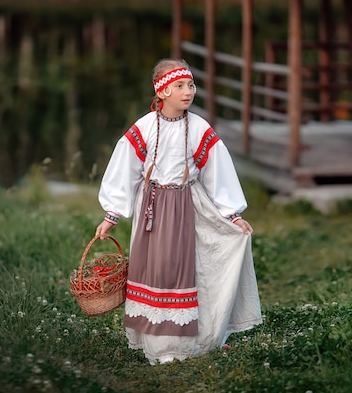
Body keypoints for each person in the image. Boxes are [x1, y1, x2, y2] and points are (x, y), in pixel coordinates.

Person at [95, 58, 262, 364]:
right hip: (153, 211)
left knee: (197, 269)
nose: (189, 92)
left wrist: (233, 213)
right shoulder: (144, 128)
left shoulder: (198, 127)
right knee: (158, 271)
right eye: (180, 86)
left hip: (190, 207)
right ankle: (159, 346)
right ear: (162, 92)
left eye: (191, 85)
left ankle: (202, 338)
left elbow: (217, 171)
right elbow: (125, 170)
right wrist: (112, 215)